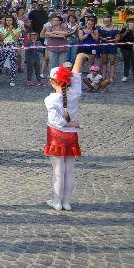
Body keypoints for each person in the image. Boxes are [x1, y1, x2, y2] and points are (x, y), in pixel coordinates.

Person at [43, 54, 88, 211]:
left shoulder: (50, 99)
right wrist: (79, 58)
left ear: (51, 81)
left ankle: (57, 201)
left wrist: (71, 123)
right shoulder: (75, 94)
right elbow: (76, 76)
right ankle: (66, 202)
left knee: (58, 170)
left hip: (57, 136)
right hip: (71, 136)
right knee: (70, 169)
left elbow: (58, 122)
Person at [117, 17, 134, 83]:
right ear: (127, 23)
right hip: (125, 48)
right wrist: (126, 32)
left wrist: (133, 31)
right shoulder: (124, 29)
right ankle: (125, 76)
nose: (130, 23)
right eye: (129, 22)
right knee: (126, 62)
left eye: (132, 22)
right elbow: (120, 37)